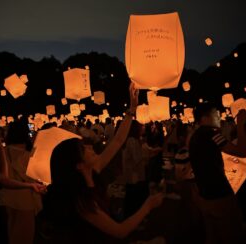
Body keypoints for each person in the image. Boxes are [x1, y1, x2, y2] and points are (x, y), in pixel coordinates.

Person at [43, 84, 164, 243]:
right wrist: (148, 205)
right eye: (83, 149)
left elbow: (118, 141)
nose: (90, 146)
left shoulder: (93, 170)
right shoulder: (82, 203)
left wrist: (132, 108)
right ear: (78, 165)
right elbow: (120, 231)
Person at [189, 102, 246, 244]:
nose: (219, 117)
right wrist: (240, 125)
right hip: (220, 195)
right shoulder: (212, 134)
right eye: (215, 114)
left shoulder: (194, 136)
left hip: (204, 195)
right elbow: (240, 151)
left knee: (212, 236)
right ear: (204, 118)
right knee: (230, 234)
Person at [0, 121, 46, 244]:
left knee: (12, 234)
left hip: (7, 199)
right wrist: (31, 185)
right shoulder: (30, 156)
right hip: (26, 201)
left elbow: (3, 179)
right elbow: (38, 179)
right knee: (25, 237)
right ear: (26, 134)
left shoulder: (4, 151)